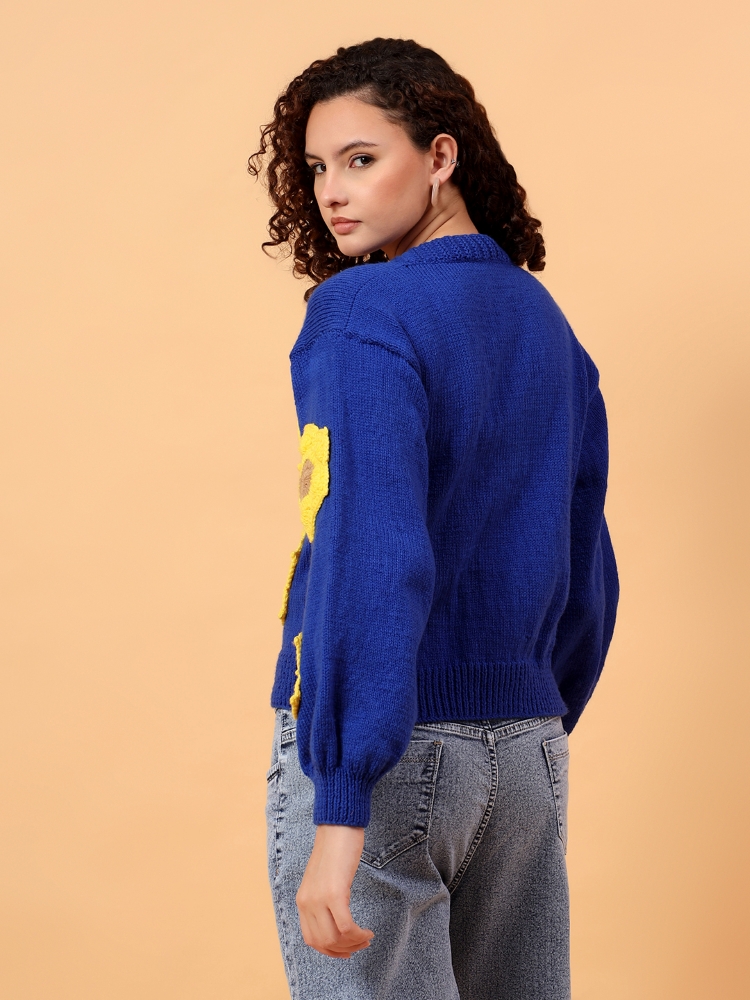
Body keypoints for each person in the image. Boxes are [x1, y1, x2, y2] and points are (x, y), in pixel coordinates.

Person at [248, 36, 619, 1000]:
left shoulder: (363, 311)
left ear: (440, 155)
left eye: (361, 159)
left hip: (392, 754)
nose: (332, 193)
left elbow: (370, 551)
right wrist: (534, 722)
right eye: (316, 168)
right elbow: (586, 555)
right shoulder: (545, 323)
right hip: (528, 752)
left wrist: (342, 807)